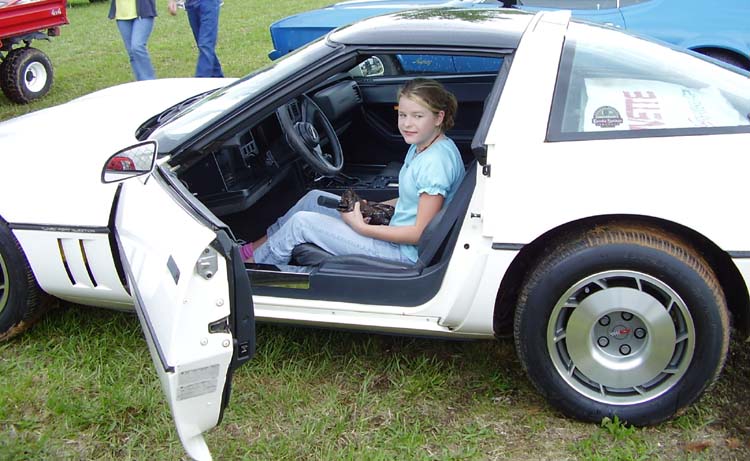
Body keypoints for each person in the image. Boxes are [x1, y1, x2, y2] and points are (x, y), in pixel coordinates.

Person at [241, 78, 465, 266]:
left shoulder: (435, 163)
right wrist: (374, 209)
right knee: (313, 199)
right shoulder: (423, 146)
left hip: (403, 254)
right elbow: (412, 198)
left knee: (301, 224)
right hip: (397, 232)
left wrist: (361, 227)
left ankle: (252, 271)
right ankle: (251, 250)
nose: (407, 124)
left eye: (418, 116)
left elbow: (419, 234)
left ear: (439, 118)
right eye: (402, 114)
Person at [167, 0, 224, 78]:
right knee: (203, 46)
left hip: (209, 3)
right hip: (191, 4)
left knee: (205, 44)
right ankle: (218, 78)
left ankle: (201, 80)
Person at [109, 0, 157, 81]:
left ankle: (149, 82)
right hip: (122, 15)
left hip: (143, 11)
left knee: (137, 47)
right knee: (132, 53)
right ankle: (141, 83)